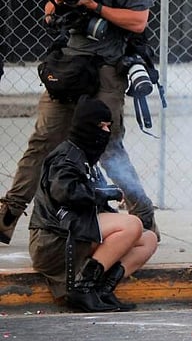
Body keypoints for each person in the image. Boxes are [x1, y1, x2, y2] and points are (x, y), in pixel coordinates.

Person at [0, 0, 157, 245]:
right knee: (42, 141)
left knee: (108, 146)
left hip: (107, 70)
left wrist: (94, 6)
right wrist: (57, 3)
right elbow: (48, 15)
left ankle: (143, 218)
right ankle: (7, 215)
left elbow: (139, 21)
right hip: (70, 67)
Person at [28, 98, 157, 312]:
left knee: (148, 239)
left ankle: (101, 289)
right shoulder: (66, 157)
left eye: (108, 126)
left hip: (74, 233)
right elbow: (66, 193)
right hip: (52, 240)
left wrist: (103, 196)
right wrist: (103, 193)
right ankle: (82, 290)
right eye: (101, 126)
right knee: (131, 224)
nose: (105, 132)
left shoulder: (86, 158)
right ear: (86, 126)